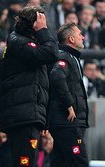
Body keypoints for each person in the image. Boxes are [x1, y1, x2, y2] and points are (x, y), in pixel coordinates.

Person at [0, 5, 59, 167]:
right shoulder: (19, 41)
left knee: (27, 161)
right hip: (23, 115)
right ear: (34, 24)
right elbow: (52, 54)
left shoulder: (28, 43)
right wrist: (44, 31)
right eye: (41, 21)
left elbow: (41, 83)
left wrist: (43, 119)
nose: (44, 25)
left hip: (29, 114)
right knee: (24, 162)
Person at [48, 22, 89, 166]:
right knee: (79, 161)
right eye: (79, 34)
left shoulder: (71, 57)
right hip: (67, 122)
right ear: (71, 39)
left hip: (64, 122)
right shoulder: (65, 57)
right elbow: (57, 76)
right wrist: (69, 105)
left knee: (60, 162)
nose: (83, 37)